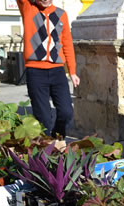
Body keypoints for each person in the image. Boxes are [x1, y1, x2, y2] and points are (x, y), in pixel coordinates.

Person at [17, 0, 80, 138]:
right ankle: (46, 150)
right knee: (43, 118)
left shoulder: (61, 14)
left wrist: (72, 71)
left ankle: (57, 138)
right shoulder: (28, 8)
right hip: (35, 72)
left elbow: (67, 43)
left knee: (66, 112)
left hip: (58, 71)